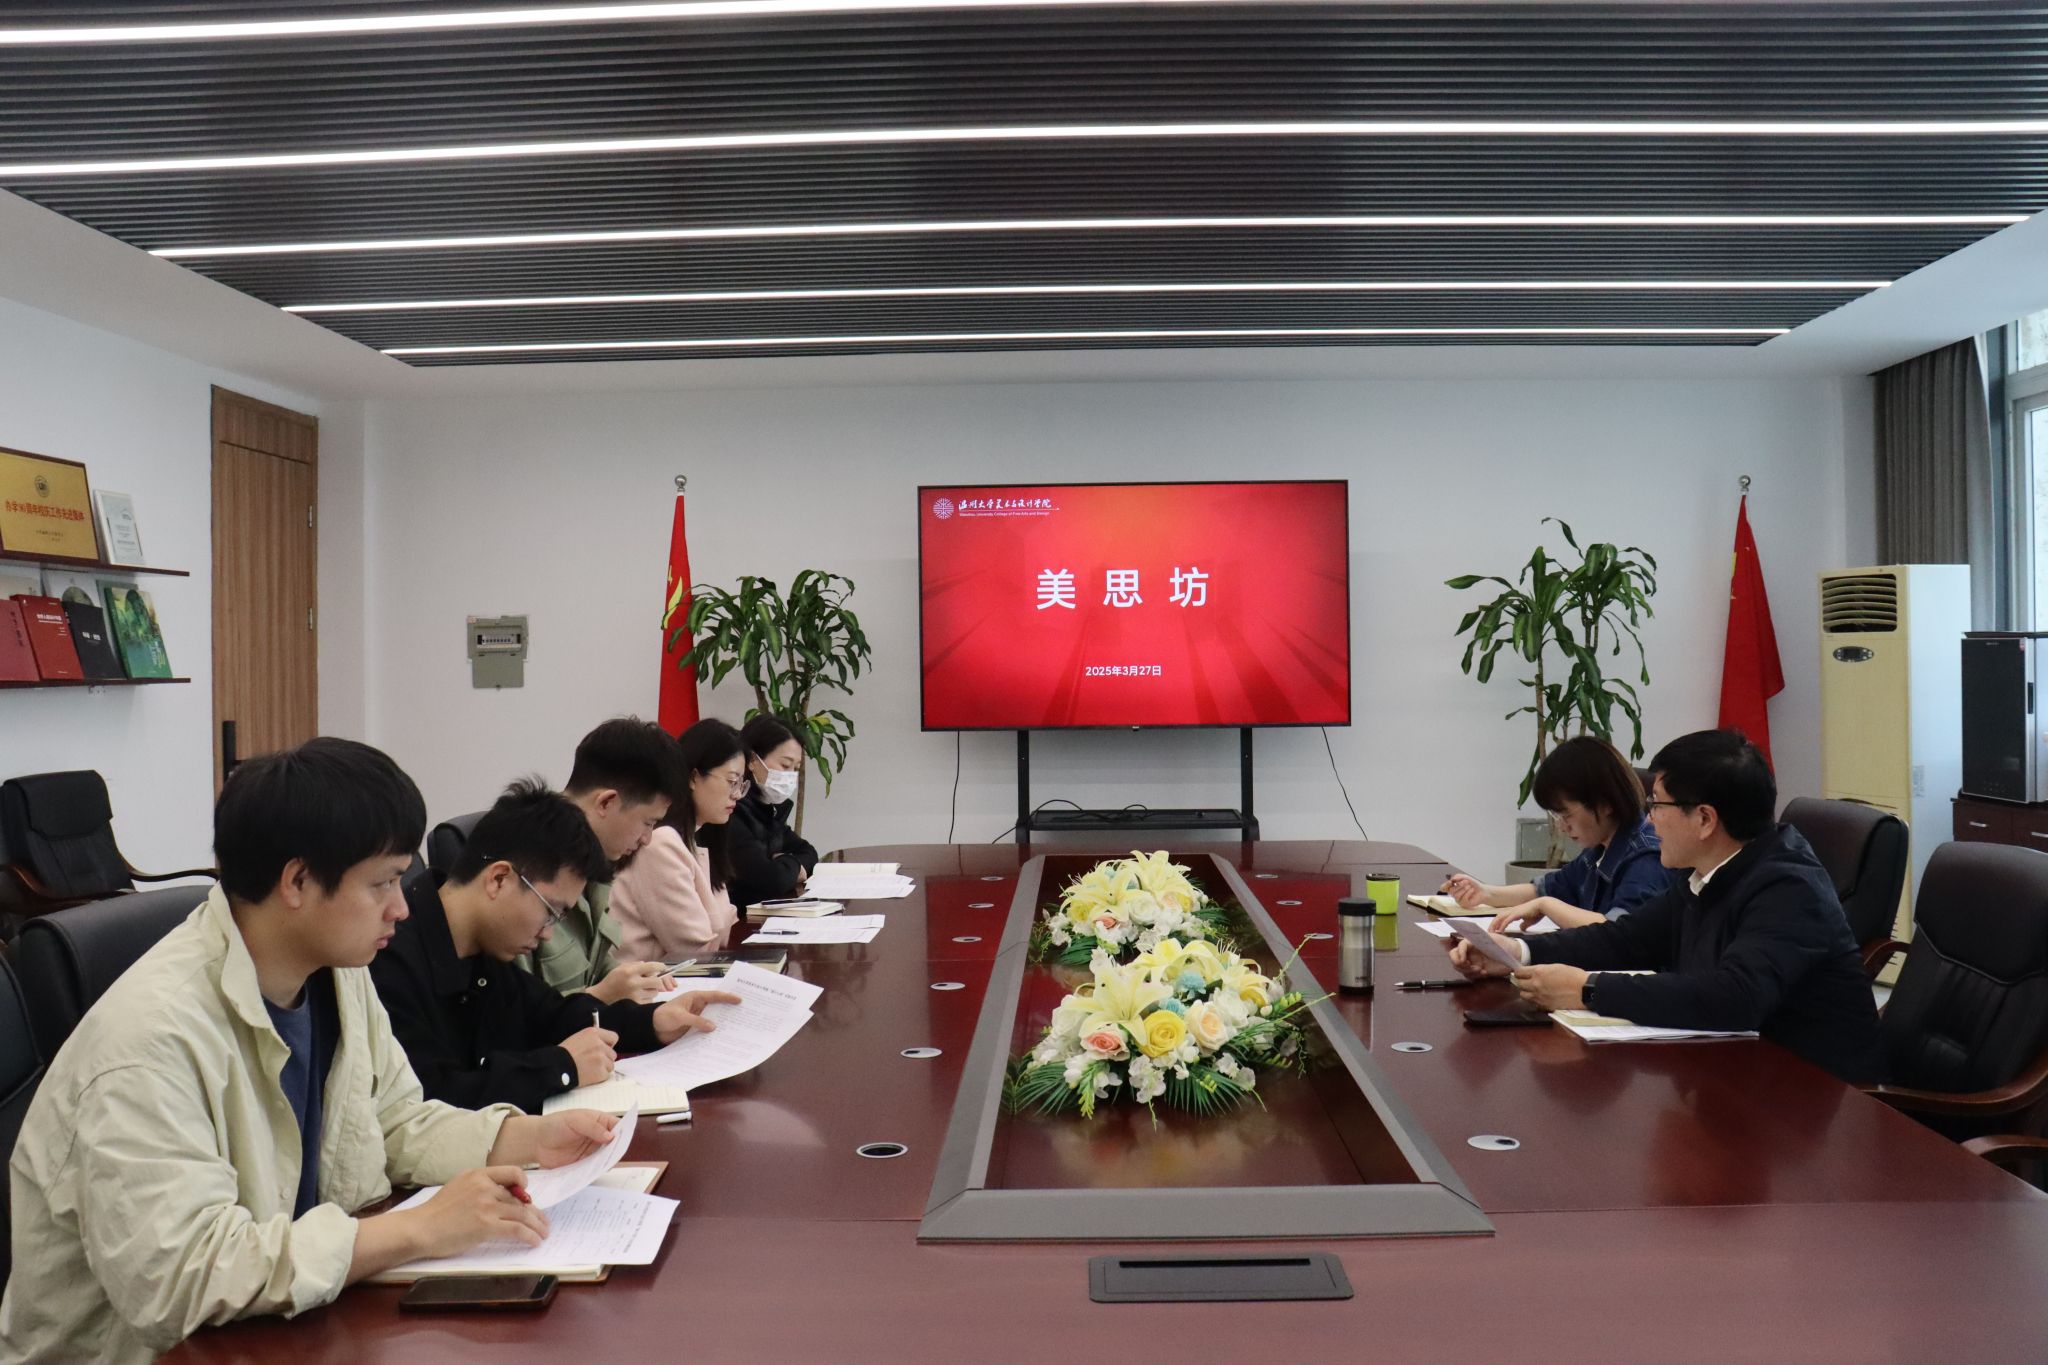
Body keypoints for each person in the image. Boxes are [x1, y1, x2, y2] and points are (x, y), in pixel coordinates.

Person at [0, 739, 619, 1365]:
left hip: (284, 1327)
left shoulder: (337, 973)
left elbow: (393, 1121)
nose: (402, 907)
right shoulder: (147, 1042)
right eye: (382, 883)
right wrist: (417, 1228)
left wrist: (524, 1138)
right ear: (297, 881)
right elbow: (185, 1276)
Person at [1442, 729, 1884, 1084]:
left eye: (1657, 805)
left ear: (1705, 819)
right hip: (1737, 1072)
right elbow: (1625, 939)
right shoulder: (1708, 874)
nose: (1649, 819)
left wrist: (1587, 990)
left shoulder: (1788, 888)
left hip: (1815, 1101)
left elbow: (1736, 996)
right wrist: (1515, 952)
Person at [372, 778, 741, 1112]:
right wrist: (562, 1067)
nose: (548, 933)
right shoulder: (388, 959)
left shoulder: (482, 947)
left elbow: (552, 1015)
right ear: (499, 879)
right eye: (551, 912)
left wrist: (653, 1022)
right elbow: (431, 1097)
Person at [1440, 735, 1681, 931]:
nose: (1561, 827)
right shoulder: (1600, 848)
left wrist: (1546, 906)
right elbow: (1548, 888)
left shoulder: (1647, 857)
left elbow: (1618, 931)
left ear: (1604, 803)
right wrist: (1486, 893)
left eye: (1565, 815)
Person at [523, 716, 686, 1004]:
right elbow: (513, 1014)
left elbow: (594, 965)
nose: (647, 839)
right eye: (648, 823)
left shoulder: (593, 863)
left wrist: (633, 979)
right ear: (606, 802)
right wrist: (601, 996)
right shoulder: (528, 873)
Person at [611, 718, 748, 960]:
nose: (737, 794)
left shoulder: (695, 838)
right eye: (731, 782)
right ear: (693, 777)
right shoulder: (659, 843)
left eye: (741, 784)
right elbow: (694, 950)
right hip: (653, 980)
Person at [726, 713, 821, 911]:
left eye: (795, 768)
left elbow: (809, 852)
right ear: (752, 760)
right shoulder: (731, 811)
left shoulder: (767, 810)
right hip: (740, 922)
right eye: (785, 765)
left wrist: (785, 863)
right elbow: (772, 879)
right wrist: (793, 865)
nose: (790, 776)